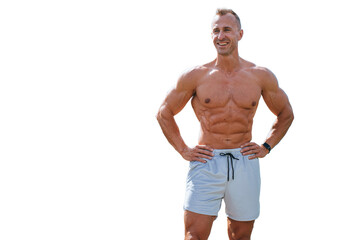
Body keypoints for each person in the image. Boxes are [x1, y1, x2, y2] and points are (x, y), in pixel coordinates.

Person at [156, 8, 294, 240]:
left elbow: (286, 114)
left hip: (244, 161)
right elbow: (164, 112)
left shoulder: (260, 75)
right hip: (206, 161)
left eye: (227, 30)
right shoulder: (196, 76)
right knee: (194, 235)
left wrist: (266, 146)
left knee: (240, 236)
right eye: (216, 31)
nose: (221, 36)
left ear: (240, 34)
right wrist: (183, 149)